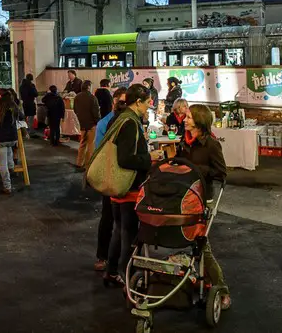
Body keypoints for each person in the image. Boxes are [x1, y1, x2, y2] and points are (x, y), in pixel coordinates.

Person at [104, 84, 164, 286]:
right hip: (128, 186)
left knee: (119, 229)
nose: (148, 107)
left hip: (117, 185)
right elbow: (126, 159)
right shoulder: (130, 123)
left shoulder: (119, 118)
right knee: (128, 234)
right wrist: (149, 157)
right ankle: (127, 276)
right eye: (147, 103)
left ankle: (112, 272)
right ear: (138, 102)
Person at [175, 104, 230, 310]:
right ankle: (203, 279)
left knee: (201, 245)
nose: (184, 119)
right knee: (193, 244)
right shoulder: (185, 141)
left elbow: (221, 173)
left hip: (202, 198)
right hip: (184, 197)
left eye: (189, 117)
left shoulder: (211, 144)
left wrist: (198, 169)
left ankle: (221, 288)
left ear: (199, 121)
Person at [92, 87, 127, 272]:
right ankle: (103, 256)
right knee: (108, 217)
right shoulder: (105, 124)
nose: (124, 105)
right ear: (114, 102)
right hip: (111, 176)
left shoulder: (131, 120)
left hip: (127, 177)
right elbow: (101, 152)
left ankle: (123, 258)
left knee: (125, 220)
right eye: (121, 102)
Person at [0, 89, 24, 195]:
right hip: (13, 138)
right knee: (9, 149)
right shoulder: (13, 105)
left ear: (0, 96)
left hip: (1, 138)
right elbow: (21, 116)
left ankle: (7, 186)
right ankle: (11, 167)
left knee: (2, 163)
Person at [74, 80, 100, 170]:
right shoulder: (92, 97)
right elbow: (96, 112)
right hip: (92, 124)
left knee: (82, 143)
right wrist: (98, 121)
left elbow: (75, 110)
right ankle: (88, 165)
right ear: (89, 87)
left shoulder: (77, 97)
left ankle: (79, 163)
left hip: (82, 124)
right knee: (91, 145)